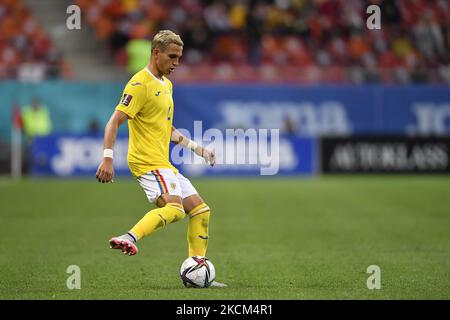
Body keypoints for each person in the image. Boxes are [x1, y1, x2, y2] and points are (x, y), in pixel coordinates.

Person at [96, 30, 226, 287]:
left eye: (179, 57)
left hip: (163, 163)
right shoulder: (139, 84)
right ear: (156, 53)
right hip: (146, 162)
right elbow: (114, 121)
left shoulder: (167, 85)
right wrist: (107, 158)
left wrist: (197, 148)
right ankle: (130, 237)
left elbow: (166, 128)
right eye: (172, 56)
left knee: (201, 211)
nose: (176, 62)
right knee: (175, 210)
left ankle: (197, 270)